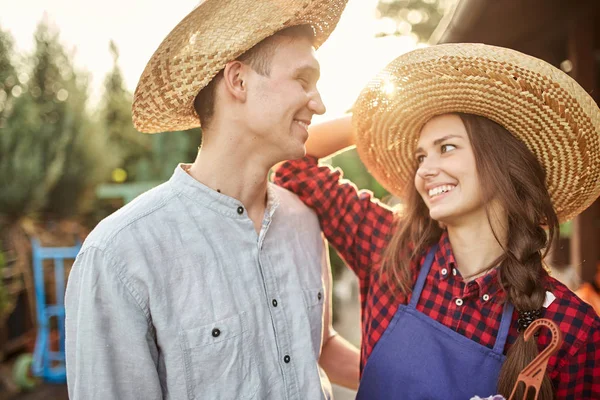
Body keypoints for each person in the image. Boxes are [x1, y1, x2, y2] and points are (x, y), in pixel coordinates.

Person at [65, 1, 361, 399]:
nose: (319, 104)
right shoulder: (120, 254)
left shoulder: (304, 220)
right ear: (238, 81)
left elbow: (318, 346)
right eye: (303, 80)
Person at [274, 43, 600, 399]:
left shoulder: (571, 328)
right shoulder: (390, 250)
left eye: (446, 148)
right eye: (420, 155)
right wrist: (376, 121)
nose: (425, 170)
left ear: (502, 164)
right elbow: (292, 163)